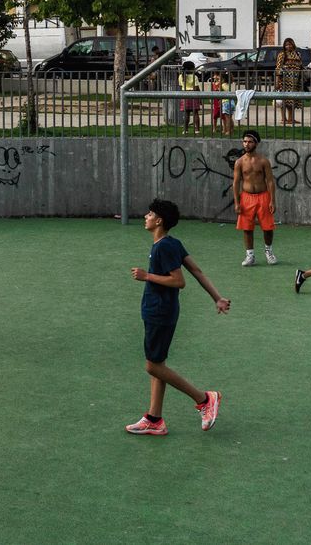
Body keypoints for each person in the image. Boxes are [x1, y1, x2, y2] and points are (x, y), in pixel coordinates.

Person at [125, 198, 229, 436]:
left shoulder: (162, 247)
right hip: (161, 311)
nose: (146, 217)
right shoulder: (172, 243)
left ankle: (204, 399)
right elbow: (197, 271)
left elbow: (179, 281)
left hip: (159, 311)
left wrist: (146, 276)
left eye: (150, 214)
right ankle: (154, 419)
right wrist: (217, 298)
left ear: (159, 221)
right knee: (158, 364)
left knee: (152, 366)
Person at [232, 130, 277, 266]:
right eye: (245, 141)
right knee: (247, 228)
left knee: (268, 228)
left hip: (263, 196)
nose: (246, 144)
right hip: (246, 198)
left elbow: (270, 181)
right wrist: (237, 202)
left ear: (256, 143)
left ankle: (268, 251)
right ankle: (250, 255)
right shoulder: (239, 162)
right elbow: (236, 182)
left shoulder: (263, 161)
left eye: (250, 142)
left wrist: (272, 200)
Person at [274, 37, 304, 125]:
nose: (288, 46)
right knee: (283, 100)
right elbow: (278, 67)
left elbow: (300, 65)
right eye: (286, 45)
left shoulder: (297, 54)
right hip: (284, 81)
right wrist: (277, 80)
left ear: (293, 44)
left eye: (290, 44)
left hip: (295, 81)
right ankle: (284, 119)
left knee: (292, 100)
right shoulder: (282, 54)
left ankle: (291, 118)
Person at [178, 61, 201, 134]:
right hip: (193, 95)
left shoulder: (181, 76)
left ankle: (185, 130)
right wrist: (200, 97)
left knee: (186, 114)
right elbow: (196, 88)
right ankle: (197, 130)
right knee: (195, 113)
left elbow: (181, 86)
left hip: (184, 95)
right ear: (191, 68)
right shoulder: (195, 77)